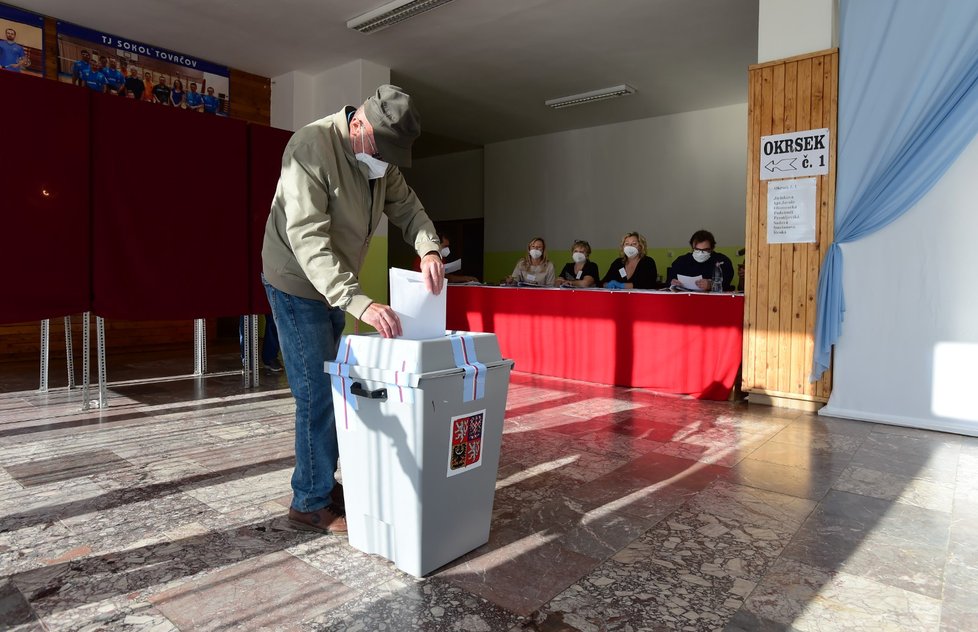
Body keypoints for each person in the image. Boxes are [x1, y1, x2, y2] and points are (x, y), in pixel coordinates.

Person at [262, 84, 444, 535]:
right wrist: (357, 301)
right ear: (359, 125)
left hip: (334, 285)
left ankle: (322, 481)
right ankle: (309, 501)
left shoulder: (378, 162)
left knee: (332, 386)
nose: (385, 162)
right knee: (315, 392)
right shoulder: (309, 147)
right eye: (383, 150)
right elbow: (307, 239)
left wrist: (429, 248)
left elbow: (408, 208)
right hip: (298, 282)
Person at [667, 229, 735, 292]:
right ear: (692, 247)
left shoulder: (722, 261)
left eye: (705, 250)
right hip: (686, 299)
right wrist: (672, 282)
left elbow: (727, 281)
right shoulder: (681, 261)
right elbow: (669, 280)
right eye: (697, 249)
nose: (700, 253)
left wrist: (711, 285)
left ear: (712, 248)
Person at [413, 233, 479, 283]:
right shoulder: (425, 258)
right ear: (436, 245)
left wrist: (466, 278)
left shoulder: (442, 258)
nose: (447, 249)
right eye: (445, 246)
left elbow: (445, 276)